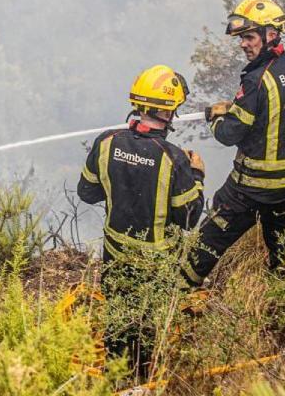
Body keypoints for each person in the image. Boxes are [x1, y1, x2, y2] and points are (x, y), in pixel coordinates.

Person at [182, 0, 285, 288]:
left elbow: (229, 133)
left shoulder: (256, 80)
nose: (243, 44)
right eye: (242, 38)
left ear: (271, 34)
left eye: (249, 37)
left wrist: (216, 117)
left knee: (208, 241)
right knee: (280, 241)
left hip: (253, 187)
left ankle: (179, 292)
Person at [77, 64, 204, 371]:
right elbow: (188, 218)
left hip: (115, 257)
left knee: (118, 326)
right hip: (155, 266)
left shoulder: (107, 142)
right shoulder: (174, 158)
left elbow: (87, 192)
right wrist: (197, 173)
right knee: (147, 335)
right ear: (168, 111)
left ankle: (116, 378)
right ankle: (142, 382)